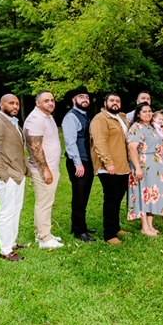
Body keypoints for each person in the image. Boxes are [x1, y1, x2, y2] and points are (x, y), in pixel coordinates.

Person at [0, 94, 30, 261]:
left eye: (17, 103)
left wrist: (25, 171)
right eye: (11, 103)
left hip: (18, 175)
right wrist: (5, 176)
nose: (15, 106)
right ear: (1, 104)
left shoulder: (14, 123)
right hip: (7, 177)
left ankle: (12, 243)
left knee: (15, 210)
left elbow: (18, 150)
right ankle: (5, 251)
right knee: (6, 212)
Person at [24, 91, 63, 250]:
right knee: (44, 203)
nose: (51, 103)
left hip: (52, 167)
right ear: (37, 103)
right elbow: (35, 147)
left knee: (47, 202)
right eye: (46, 101)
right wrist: (45, 170)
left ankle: (44, 232)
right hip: (43, 169)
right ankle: (44, 239)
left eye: (52, 100)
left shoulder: (47, 116)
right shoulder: (35, 119)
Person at [90, 93, 131, 246]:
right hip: (109, 167)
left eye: (118, 100)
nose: (115, 103)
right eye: (112, 100)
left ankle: (116, 228)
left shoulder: (121, 117)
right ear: (105, 102)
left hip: (122, 166)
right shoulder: (100, 119)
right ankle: (109, 234)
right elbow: (99, 142)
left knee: (118, 198)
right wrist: (108, 163)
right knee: (111, 199)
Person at [126, 103, 163, 236]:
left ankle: (151, 225)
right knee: (144, 194)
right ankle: (144, 226)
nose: (148, 113)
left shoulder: (152, 127)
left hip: (156, 164)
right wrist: (137, 168)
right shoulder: (136, 127)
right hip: (143, 164)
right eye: (144, 111)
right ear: (138, 114)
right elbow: (132, 148)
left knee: (153, 194)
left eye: (150, 111)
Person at [61, 86, 96, 242]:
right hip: (78, 162)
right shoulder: (71, 117)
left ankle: (81, 225)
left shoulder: (86, 115)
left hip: (87, 161)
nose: (85, 99)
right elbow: (70, 142)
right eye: (81, 97)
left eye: (87, 97)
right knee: (79, 195)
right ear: (74, 100)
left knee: (85, 195)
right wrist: (78, 163)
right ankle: (78, 230)